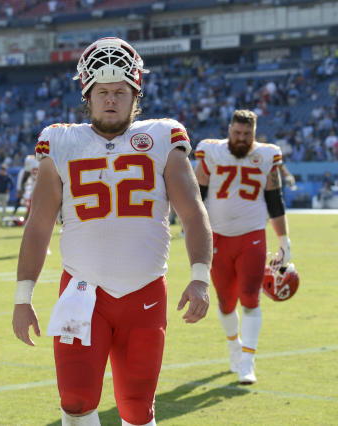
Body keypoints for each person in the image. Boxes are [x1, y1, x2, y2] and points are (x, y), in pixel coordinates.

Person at [12, 37, 212, 426]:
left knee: (137, 407)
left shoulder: (162, 137)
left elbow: (193, 213)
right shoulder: (62, 141)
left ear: (136, 95)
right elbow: (38, 226)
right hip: (82, 292)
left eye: (120, 91)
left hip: (145, 293)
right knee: (75, 399)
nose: (111, 99)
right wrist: (23, 296)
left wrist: (200, 278)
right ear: (87, 95)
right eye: (102, 91)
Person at [194, 109, 292, 385]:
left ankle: (248, 359)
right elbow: (199, 195)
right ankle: (234, 347)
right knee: (226, 301)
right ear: (229, 130)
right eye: (237, 133)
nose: (241, 138)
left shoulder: (266, 155)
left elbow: (275, 200)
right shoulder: (211, 152)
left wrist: (285, 241)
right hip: (218, 237)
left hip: (252, 235)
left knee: (250, 296)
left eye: (246, 134)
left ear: (254, 133)